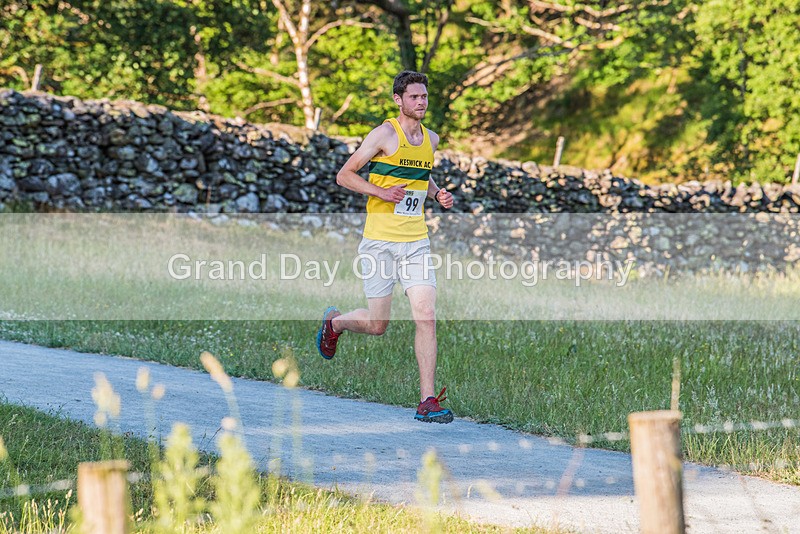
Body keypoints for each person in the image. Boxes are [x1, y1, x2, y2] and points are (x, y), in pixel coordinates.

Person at [316, 70, 455, 424]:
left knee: (426, 316)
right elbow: (344, 175)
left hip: (415, 242)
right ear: (398, 99)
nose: (421, 103)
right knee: (378, 325)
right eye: (414, 97)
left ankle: (427, 400)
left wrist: (436, 193)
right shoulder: (383, 134)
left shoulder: (432, 139)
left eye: (424, 97)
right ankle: (336, 324)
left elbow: (420, 176)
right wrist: (380, 192)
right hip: (379, 243)